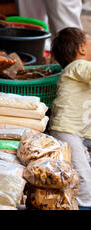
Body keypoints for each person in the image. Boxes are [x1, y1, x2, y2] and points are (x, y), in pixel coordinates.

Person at [49, 27, 91, 210]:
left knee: (77, 173)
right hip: (67, 131)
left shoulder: (75, 70)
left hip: (76, 132)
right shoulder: (78, 66)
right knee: (83, 178)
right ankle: (84, 205)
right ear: (82, 49)